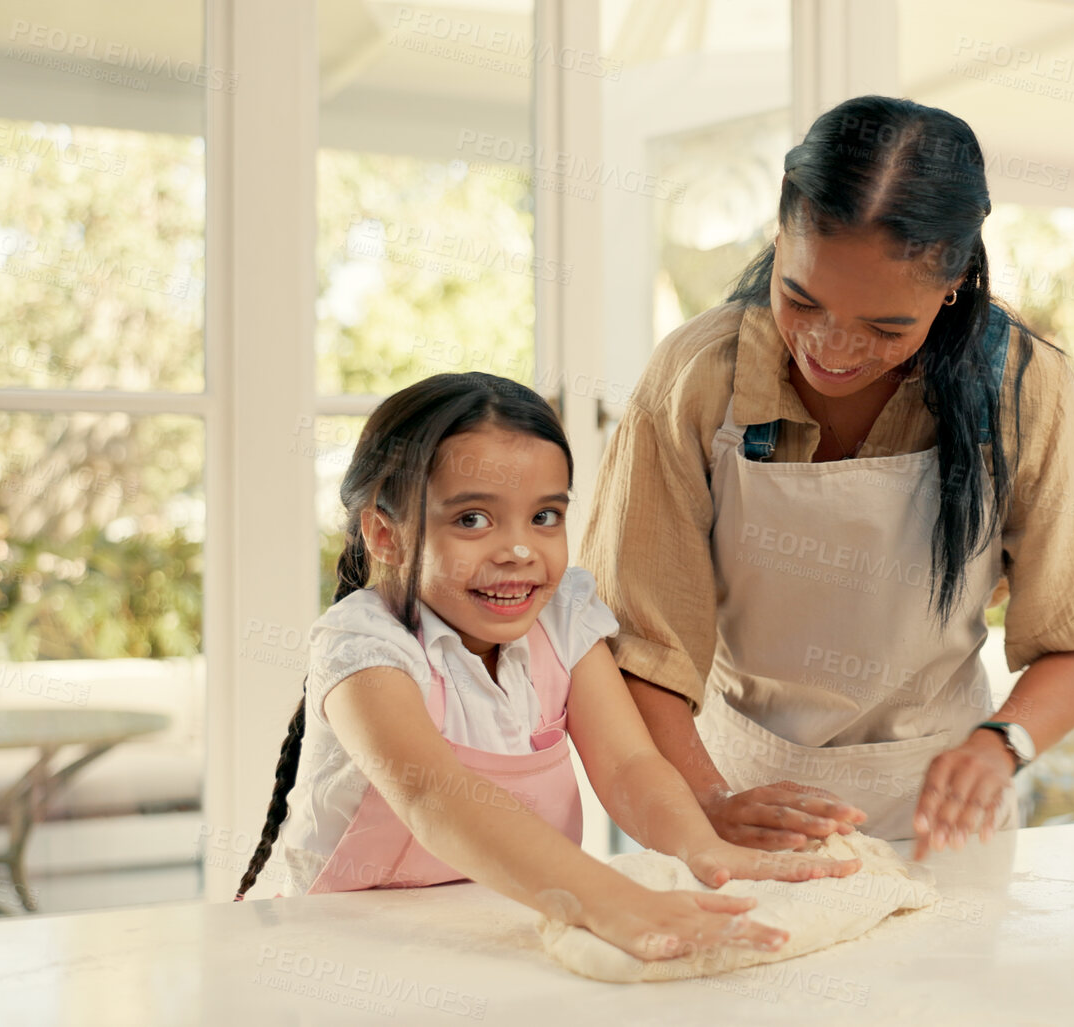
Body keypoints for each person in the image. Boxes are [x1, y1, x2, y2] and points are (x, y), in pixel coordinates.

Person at [581, 96, 1074, 861]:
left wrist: (1001, 744)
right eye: (800, 298)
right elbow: (638, 650)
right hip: (728, 795)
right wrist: (709, 800)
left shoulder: (1022, 388)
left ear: (951, 282)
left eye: (887, 326)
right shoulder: (697, 378)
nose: (832, 347)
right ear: (778, 234)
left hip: (940, 817)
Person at [235, 372, 855, 964]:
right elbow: (436, 796)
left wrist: (704, 850)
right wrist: (611, 901)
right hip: (347, 947)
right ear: (386, 534)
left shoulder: (563, 617)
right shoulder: (365, 647)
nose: (519, 550)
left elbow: (629, 765)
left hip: (507, 922)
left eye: (545, 516)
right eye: (472, 519)